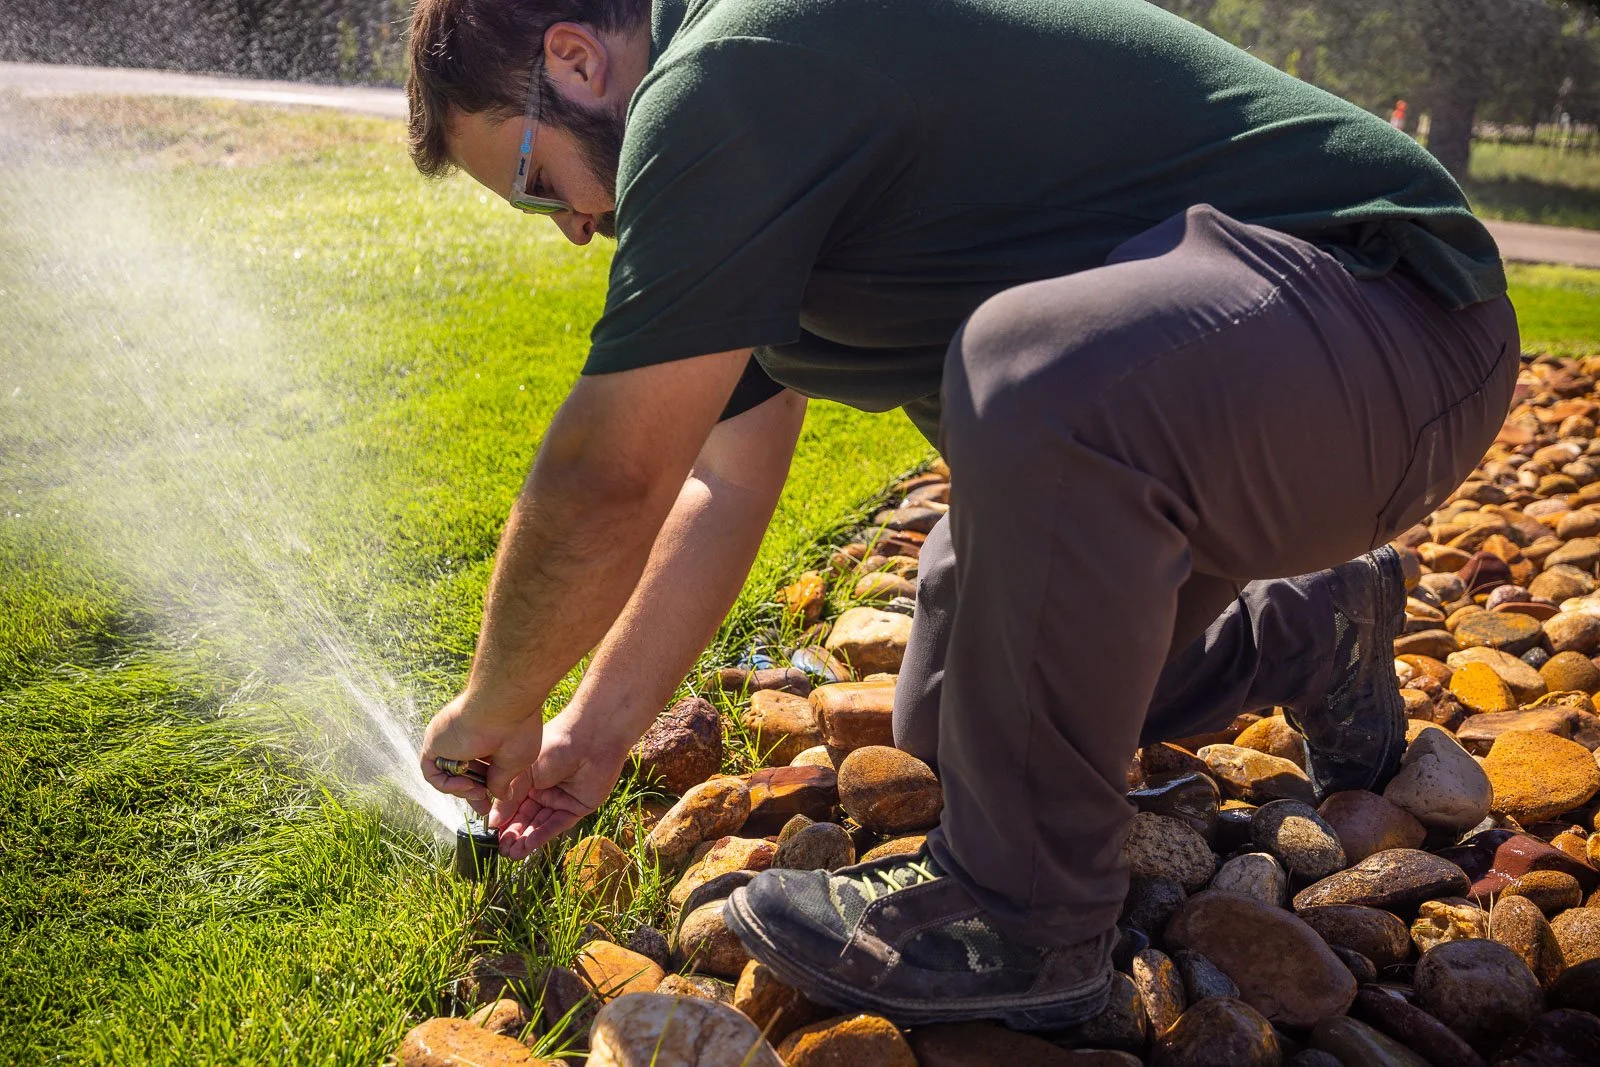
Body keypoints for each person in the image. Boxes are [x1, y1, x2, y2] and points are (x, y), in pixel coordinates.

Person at [407, 0, 1517, 1028]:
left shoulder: (726, 75)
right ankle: (1311, 624)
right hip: (1264, 407)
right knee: (960, 728)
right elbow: (721, 480)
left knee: (1027, 376)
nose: (568, 227)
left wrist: (491, 703)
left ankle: (1025, 919)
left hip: (1390, 314)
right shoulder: (743, 130)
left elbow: (615, 475)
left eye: (537, 181)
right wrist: (585, 740)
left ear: (575, 59)